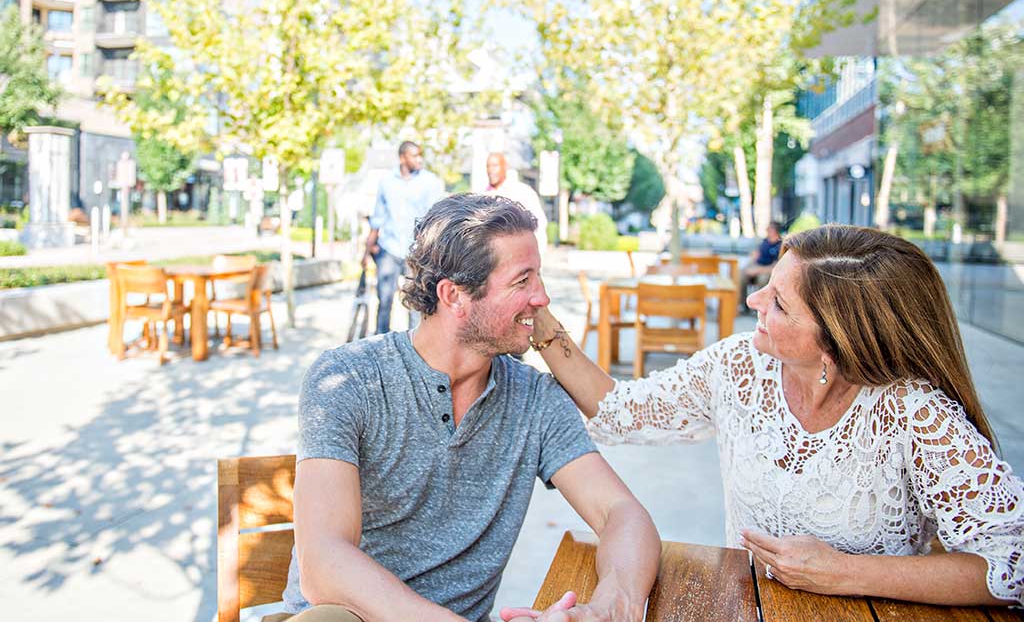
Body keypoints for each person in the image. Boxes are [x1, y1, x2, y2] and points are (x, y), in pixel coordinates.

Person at [531, 225, 1023, 607]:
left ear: (835, 343)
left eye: (779, 304)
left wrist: (845, 573)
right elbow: (620, 410)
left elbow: (1013, 562)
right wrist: (542, 324)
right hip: (748, 607)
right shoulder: (739, 366)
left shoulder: (914, 413)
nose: (753, 302)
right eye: (768, 287)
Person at [282, 193, 661, 622]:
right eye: (523, 281)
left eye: (539, 278)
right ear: (454, 296)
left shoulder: (535, 399)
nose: (543, 298)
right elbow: (325, 564)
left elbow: (621, 512)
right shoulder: (349, 378)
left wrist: (616, 602)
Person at [362, 140, 445, 334]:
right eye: (414, 155)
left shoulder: (430, 182)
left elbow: (436, 220)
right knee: (384, 300)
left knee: (415, 303)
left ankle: (414, 347)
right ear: (402, 157)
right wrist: (366, 252)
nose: (419, 159)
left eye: (420, 155)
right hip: (389, 249)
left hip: (417, 252)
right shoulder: (386, 182)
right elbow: (378, 219)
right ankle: (380, 343)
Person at [482, 152, 549, 254]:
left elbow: (539, 225)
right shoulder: (482, 196)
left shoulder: (522, 192)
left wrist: (536, 259)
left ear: (505, 167)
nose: (490, 170)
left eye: (495, 166)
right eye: (488, 166)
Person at [741, 221, 783, 301]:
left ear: (775, 230)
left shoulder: (779, 246)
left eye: (769, 228)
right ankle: (743, 304)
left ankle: (760, 305)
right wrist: (748, 267)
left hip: (768, 270)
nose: (767, 230)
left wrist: (757, 270)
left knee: (762, 280)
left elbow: (774, 267)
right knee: (741, 274)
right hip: (758, 266)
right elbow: (756, 255)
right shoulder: (764, 242)